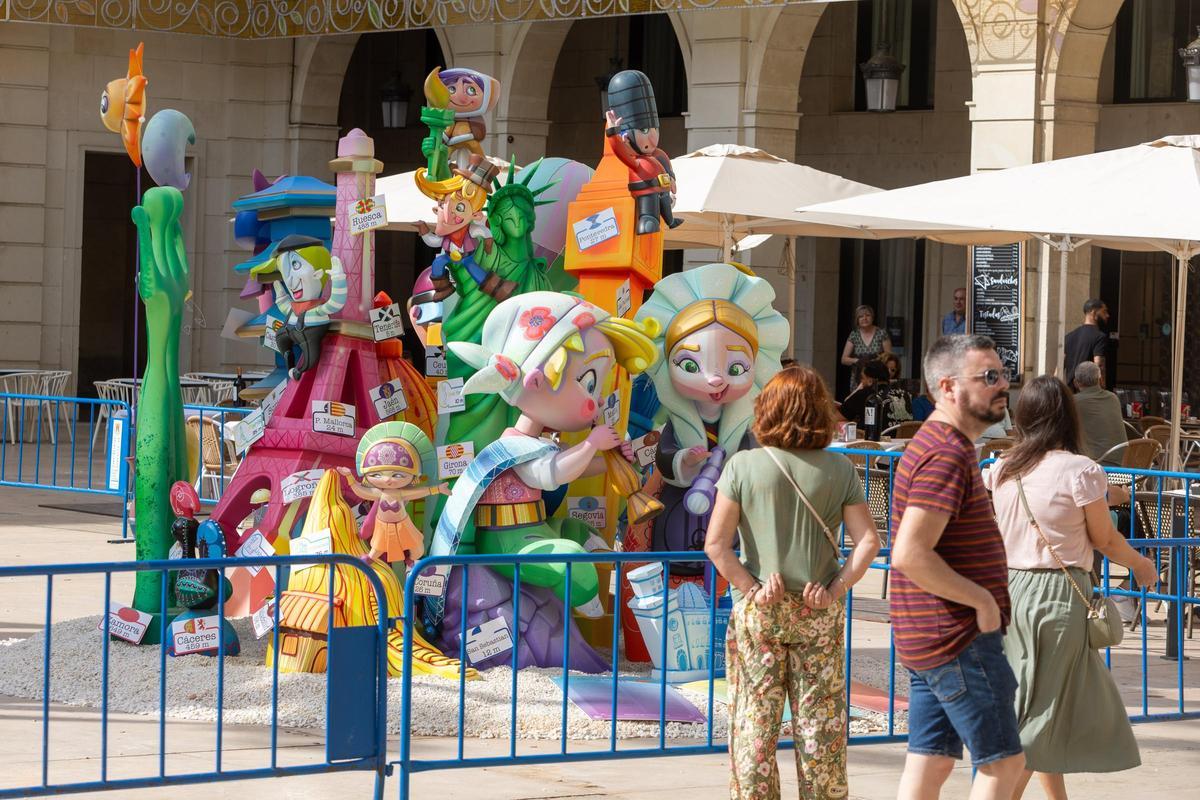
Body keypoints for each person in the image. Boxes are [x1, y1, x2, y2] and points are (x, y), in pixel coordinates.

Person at [704, 365, 880, 800]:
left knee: (753, 724)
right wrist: (837, 588)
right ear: (819, 411)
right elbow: (869, 543)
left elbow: (716, 545)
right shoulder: (839, 470)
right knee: (821, 727)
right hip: (818, 609)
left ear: (767, 409)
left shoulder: (742, 467)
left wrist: (750, 587)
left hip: (761, 607)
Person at [984, 375, 1158, 800]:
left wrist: (1108, 492)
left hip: (1011, 591)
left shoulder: (1003, 468)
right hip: (1058, 594)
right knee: (1042, 709)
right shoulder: (1080, 470)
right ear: (1068, 414)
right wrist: (1140, 564)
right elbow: (1104, 539)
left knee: (1038, 700)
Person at [891, 335, 1025, 800]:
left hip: (932, 635)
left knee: (931, 763)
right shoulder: (946, 452)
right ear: (948, 387)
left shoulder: (943, 444)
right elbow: (910, 553)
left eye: (1003, 374)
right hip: (956, 637)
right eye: (988, 377)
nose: (1002, 385)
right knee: (1004, 764)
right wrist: (982, 600)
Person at [1072, 361, 1127, 465]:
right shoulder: (1113, 398)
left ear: (1075, 382)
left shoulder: (1073, 402)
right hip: (1122, 466)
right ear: (1100, 380)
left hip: (1096, 466)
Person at [841, 305, 892, 390]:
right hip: (859, 378)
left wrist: (876, 361)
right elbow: (844, 359)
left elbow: (889, 357)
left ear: (872, 318)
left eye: (867, 315)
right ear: (857, 320)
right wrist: (858, 361)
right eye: (861, 316)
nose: (864, 318)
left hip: (878, 377)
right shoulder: (854, 335)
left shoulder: (881, 333)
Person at [1063, 298, 1110, 390]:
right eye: (1104, 312)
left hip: (1071, 390)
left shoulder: (1069, 336)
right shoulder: (1100, 337)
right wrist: (1102, 386)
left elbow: (1061, 363)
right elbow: (1099, 364)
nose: (1107, 315)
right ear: (1093, 312)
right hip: (1088, 390)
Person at [838, 358, 890, 427]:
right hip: (904, 437)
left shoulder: (865, 394)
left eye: (862, 378)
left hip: (874, 437)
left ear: (870, 381)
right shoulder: (904, 393)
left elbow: (837, 417)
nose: (861, 382)